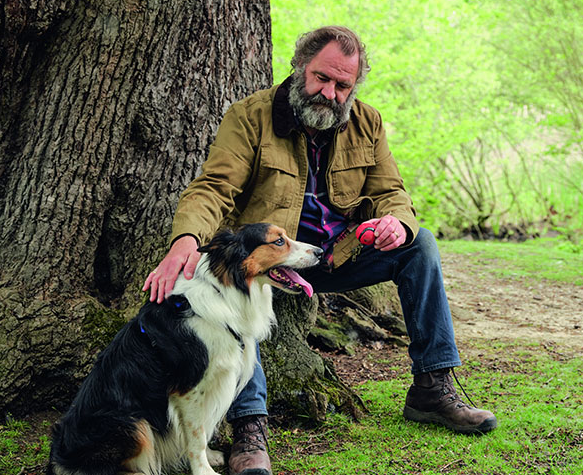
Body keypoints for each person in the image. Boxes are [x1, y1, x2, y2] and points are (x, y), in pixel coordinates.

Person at [144, 25, 496, 475]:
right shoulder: (250, 116)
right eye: (321, 78)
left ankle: (432, 387)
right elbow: (213, 188)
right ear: (299, 69)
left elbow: (392, 192)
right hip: (271, 260)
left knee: (420, 243)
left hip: (335, 257)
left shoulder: (368, 122)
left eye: (342, 85)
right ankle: (249, 430)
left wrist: (395, 223)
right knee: (231, 310)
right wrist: (185, 243)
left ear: (354, 86)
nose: (329, 93)